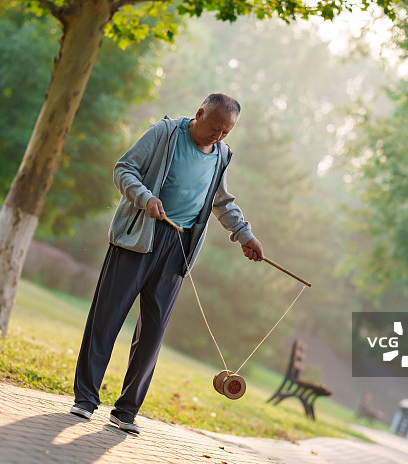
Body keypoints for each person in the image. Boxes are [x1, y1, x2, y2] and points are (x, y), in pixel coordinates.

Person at [70, 93, 264, 434]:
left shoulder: (221, 155)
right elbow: (124, 169)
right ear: (199, 113)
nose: (218, 136)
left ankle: (126, 411)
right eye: (214, 127)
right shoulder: (164, 133)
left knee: (153, 332)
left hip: (178, 249)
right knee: (107, 318)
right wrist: (145, 198)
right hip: (139, 237)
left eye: (226, 132)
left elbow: (221, 201)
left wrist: (245, 236)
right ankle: (86, 399)